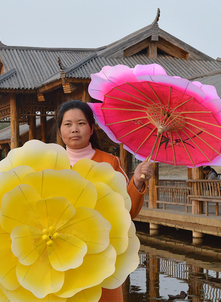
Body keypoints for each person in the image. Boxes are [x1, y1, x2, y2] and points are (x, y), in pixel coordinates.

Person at [57, 100, 153, 302]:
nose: (75, 129)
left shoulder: (109, 162)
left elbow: (126, 213)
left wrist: (136, 182)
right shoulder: (49, 163)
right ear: (60, 131)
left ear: (92, 129)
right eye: (68, 124)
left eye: (81, 123)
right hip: (58, 251)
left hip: (101, 250)